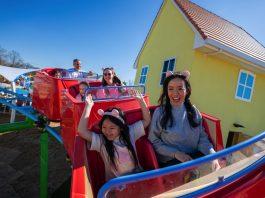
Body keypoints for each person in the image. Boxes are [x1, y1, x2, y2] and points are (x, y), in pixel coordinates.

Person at [148, 70, 221, 171]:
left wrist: (213, 157)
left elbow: (202, 139)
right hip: (171, 162)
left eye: (180, 88)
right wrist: (176, 154)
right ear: (166, 91)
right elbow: (153, 140)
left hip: (194, 158)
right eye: (171, 89)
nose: (175, 93)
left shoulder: (194, 111)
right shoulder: (160, 112)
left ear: (187, 91)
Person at [78, 89, 151, 181]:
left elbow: (146, 121)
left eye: (112, 128)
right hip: (117, 184)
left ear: (121, 127)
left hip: (136, 177)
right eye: (104, 127)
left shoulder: (130, 133)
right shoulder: (101, 141)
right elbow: (81, 131)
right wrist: (88, 107)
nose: (107, 131)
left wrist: (141, 100)